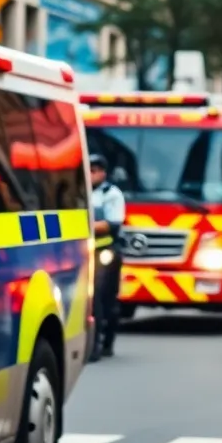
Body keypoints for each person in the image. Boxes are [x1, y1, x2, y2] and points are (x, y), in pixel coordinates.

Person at [90, 153, 126, 361]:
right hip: (89, 252)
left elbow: (112, 224)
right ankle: (92, 343)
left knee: (105, 299)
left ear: (103, 173)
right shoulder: (84, 192)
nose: (91, 174)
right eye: (89, 170)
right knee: (91, 299)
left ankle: (105, 343)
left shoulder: (111, 194)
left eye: (94, 171)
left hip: (107, 252)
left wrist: (86, 226)